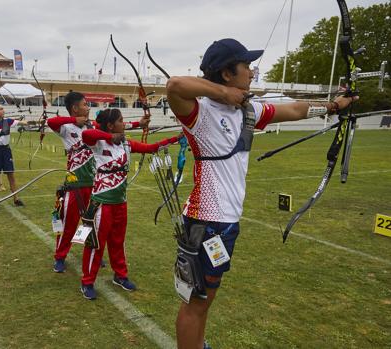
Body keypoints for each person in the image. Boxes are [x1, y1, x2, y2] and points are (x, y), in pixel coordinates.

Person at [165, 38, 357, 349]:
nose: (253, 71)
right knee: (196, 303)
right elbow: (175, 84)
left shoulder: (248, 110)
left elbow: (295, 109)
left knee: (204, 301)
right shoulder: (199, 112)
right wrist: (224, 94)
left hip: (225, 222)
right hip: (207, 220)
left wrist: (335, 105)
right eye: (246, 66)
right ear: (228, 74)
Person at [79, 108, 180, 300]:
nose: (124, 124)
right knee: (96, 244)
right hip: (102, 203)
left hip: (120, 203)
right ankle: (87, 281)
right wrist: (110, 137)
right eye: (121, 121)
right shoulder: (98, 143)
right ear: (111, 125)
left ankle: (120, 275)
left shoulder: (125, 143)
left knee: (118, 241)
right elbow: (87, 133)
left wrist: (176, 138)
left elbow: (151, 148)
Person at [47, 91, 149, 273]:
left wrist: (138, 124)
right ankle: (60, 256)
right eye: (85, 104)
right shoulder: (67, 128)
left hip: (96, 187)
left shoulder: (92, 126)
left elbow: (114, 127)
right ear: (75, 108)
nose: (88, 107)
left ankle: (94, 254)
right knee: (68, 225)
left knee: (92, 225)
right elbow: (51, 122)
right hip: (75, 185)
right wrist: (73, 121)